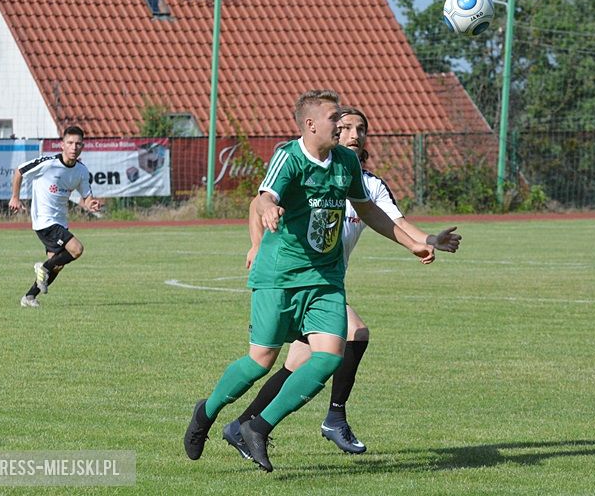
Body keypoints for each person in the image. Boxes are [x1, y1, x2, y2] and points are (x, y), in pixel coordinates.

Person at [183, 90, 435, 472]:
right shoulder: (289, 156)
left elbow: (368, 209)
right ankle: (208, 410)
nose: (342, 125)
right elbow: (265, 196)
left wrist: (414, 243)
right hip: (280, 276)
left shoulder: (347, 162)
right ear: (310, 124)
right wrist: (268, 209)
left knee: (329, 357)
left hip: (325, 278)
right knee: (260, 361)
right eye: (335, 119)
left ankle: (258, 427)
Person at [9, 125, 100, 307]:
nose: (74, 147)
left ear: (82, 146)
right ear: (62, 145)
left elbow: (86, 197)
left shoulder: (81, 171)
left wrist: (91, 204)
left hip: (60, 221)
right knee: (77, 249)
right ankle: (42, 268)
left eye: (78, 144)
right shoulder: (48, 163)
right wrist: (15, 197)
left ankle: (29, 297)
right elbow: (19, 171)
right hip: (44, 221)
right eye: (70, 143)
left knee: (57, 265)